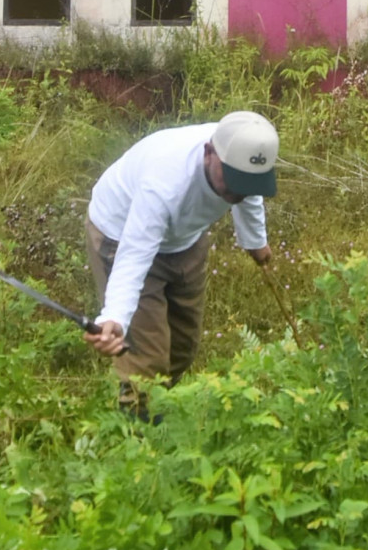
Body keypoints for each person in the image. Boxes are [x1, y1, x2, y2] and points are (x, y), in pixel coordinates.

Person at [84, 110, 278, 393]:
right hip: (120, 234)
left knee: (183, 348)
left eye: (249, 182)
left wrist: (255, 242)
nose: (240, 192)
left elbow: (248, 195)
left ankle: (166, 408)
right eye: (234, 180)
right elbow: (134, 255)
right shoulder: (164, 182)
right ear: (209, 152)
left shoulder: (243, 150)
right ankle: (138, 428)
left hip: (184, 238)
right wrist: (115, 317)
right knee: (146, 361)